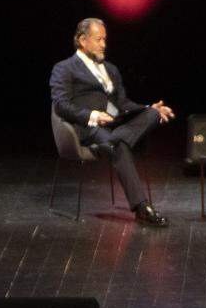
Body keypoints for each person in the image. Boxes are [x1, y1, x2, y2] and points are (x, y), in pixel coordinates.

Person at [50, 17, 172, 225]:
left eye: (105, 40)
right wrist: (94, 116)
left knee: (152, 114)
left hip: (117, 125)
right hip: (91, 127)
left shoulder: (111, 69)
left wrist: (147, 109)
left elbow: (123, 103)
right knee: (120, 147)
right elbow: (61, 104)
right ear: (82, 40)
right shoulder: (65, 68)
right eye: (98, 40)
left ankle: (118, 137)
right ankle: (142, 208)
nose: (104, 45)